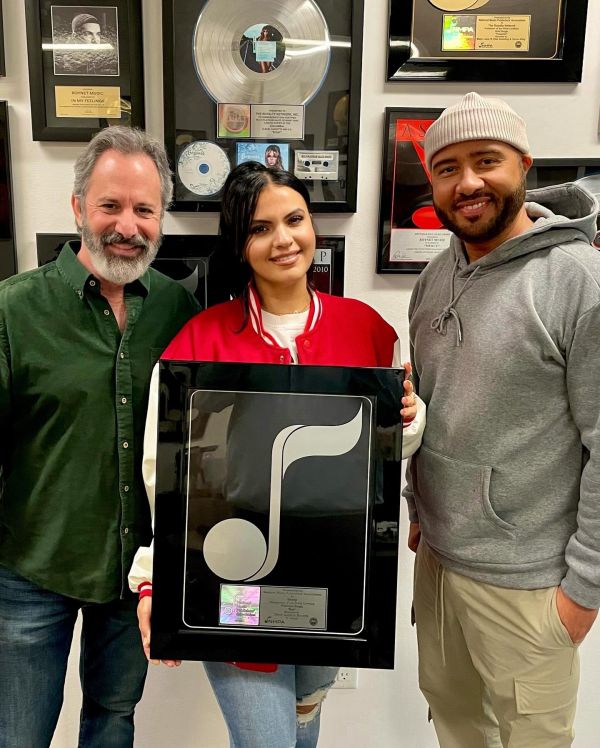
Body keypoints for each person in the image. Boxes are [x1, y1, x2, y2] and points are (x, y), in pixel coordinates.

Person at [129, 161, 425, 748]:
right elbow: (165, 473)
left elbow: (387, 454)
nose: (284, 239)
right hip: (236, 566)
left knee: (303, 725)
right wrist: (153, 578)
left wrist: (412, 419)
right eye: (260, 228)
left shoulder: (368, 330)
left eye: (295, 220)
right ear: (240, 244)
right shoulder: (201, 340)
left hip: (337, 574)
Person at [405, 91, 600, 747]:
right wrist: (416, 506)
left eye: (486, 161)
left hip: (528, 584)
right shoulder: (434, 279)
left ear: (523, 165)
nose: (467, 183)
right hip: (439, 565)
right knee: (457, 725)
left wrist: (583, 591)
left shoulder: (579, 280)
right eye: (447, 168)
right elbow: (428, 405)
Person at [0, 126, 199, 748]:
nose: (127, 226)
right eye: (110, 205)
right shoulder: (13, 310)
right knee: (18, 734)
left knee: (113, 721)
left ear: (161, 218)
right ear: (78, 207)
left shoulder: (178, 311)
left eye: (145, 210)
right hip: (33, 569)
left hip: (133, 572)